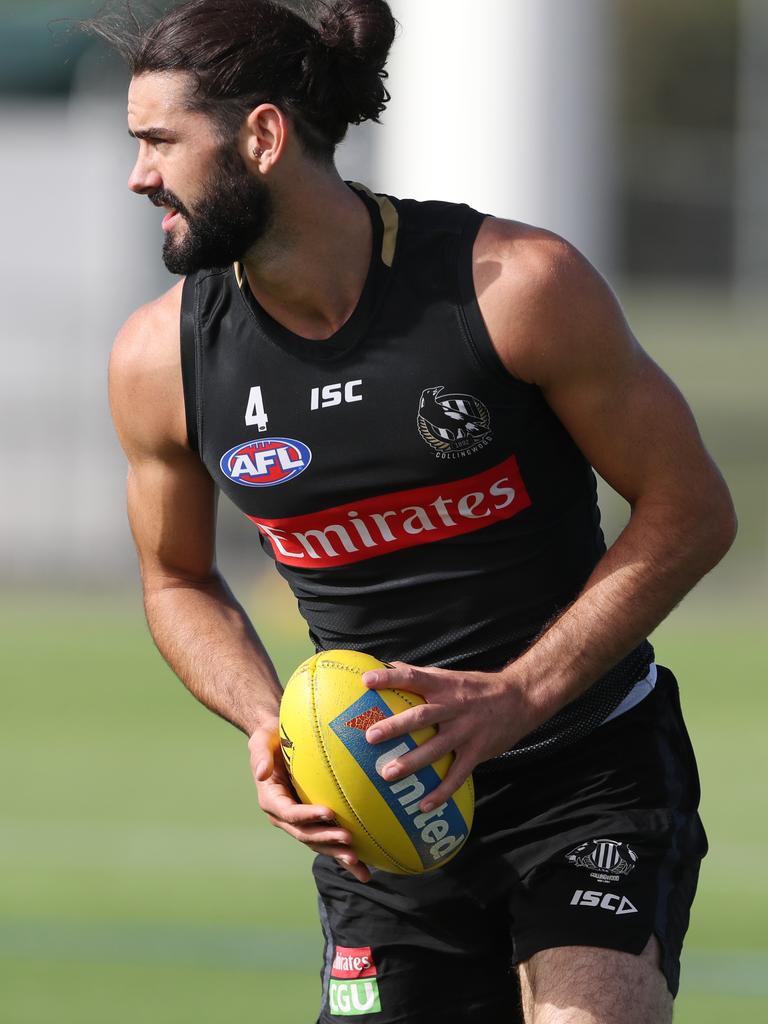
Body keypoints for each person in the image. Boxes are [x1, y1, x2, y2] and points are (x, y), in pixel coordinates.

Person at [87, 1, 737, 1021]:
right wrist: (275, 724)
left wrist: (517, 695)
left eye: (160, 142)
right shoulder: (156, 360)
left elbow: (691, 508)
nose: (139, 176)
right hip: (381, 807)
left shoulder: (514, 286)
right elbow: (176, 577)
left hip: (584, 769)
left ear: (261, 137)